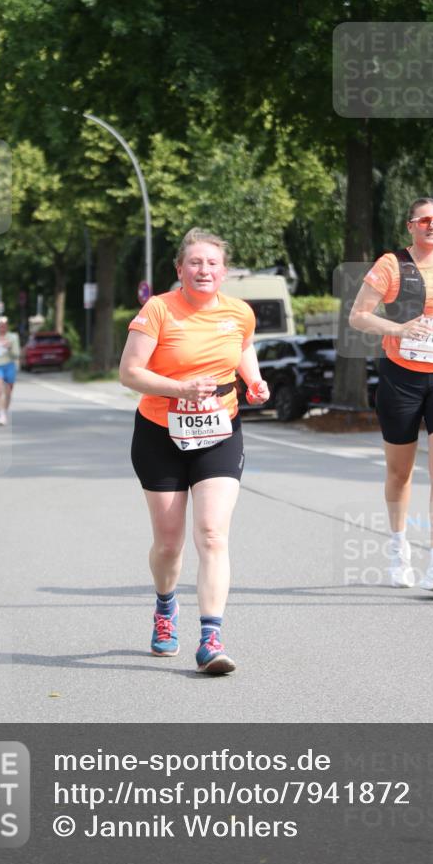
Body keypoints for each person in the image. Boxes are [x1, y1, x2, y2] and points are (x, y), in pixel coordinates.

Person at [119, 228, 270, 674]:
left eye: (212, 264)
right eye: (195, 263)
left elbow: (243, 348)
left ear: (224, 271)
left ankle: (211, 638)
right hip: (159, 432)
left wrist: (254, 380)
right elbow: (129, 372)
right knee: (169, 544)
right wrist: (180, 389)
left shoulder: (240, 312)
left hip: (220, 430)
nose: (204, 270)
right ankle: (166, 609)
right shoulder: (159, 309)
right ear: (180, 269)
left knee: (211, 534)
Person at [349, 197, 433, 597]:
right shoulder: (391, 265)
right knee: (400, 473)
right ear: (411, 226)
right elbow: (358, 316)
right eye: (425, 220)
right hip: (401, 377)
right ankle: (398, 549)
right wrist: (400, 329)